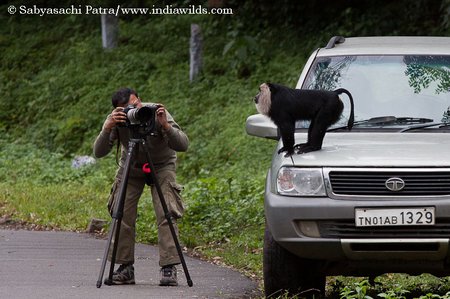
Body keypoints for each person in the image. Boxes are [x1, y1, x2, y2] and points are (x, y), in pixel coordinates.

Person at [93, 87, 189, 286]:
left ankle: (169, 267)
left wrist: (166, 126)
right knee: (122, 212)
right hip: (131, 164)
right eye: (127, 108)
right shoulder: (117, 119)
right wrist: (108, 127)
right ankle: (125, 268)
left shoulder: (154, 112)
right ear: (118, 110)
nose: (133, 110)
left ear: (140, 101)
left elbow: (183, 144)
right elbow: (99, 152)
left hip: (161, 165)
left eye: (135, 105)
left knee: (166, 213)